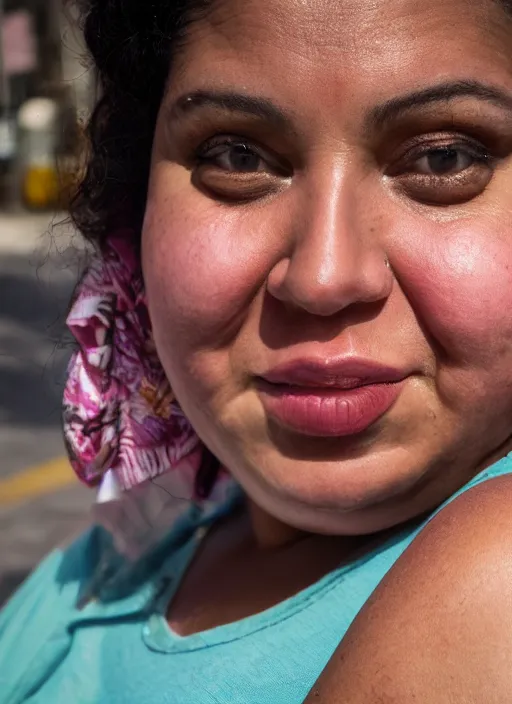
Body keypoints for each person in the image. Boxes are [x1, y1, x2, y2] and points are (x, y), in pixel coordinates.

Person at [2, 0, 512, 700]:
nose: (322, 278)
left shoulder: (495, 579)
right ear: (136, 208)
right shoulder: (144, 538)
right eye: (238, 156)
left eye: (443, 157)